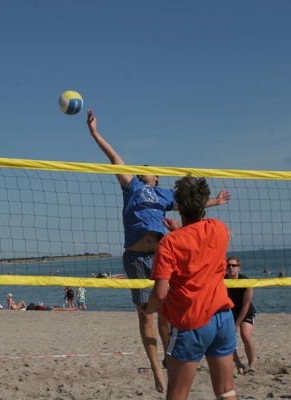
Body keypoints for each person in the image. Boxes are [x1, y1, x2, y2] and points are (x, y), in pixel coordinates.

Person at [86, 110, 231, 392]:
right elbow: (114, 157)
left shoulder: (164, 194)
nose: (143, 169)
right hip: (136, 257)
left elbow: (191, 204)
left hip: (159, 255)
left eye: (148, 169)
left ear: (156, 176)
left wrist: (216, 201)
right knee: (145, 315)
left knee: (166, 312)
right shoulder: (132, 187)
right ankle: (156, 371)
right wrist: (94, 133)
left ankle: (169, 358)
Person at [147, 174, 237, 400]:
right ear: (203, 204)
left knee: (177, 395)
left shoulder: (169, 243)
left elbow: (160, 293)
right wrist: (180, 231)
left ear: (178, 206)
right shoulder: (219, 229)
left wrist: (147, 310)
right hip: (223, 318)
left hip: (191, 321)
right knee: (226, 391)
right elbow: (198, 245)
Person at [225, 256, 257, 375]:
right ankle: (238, 363)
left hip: (245, 311)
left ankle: (251, 364)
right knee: (227, 339)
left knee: (245, 336)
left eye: (234, 265)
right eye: (228, 265)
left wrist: (236, 324)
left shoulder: (246, 282)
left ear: (239, 268)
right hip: (229, 311)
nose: (231, 267)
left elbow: (245, 305)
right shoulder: (221, 280)